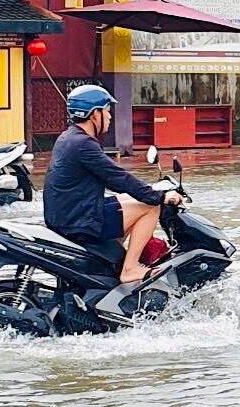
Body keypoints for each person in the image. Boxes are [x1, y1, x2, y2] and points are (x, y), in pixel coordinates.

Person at [44, 84, 179, 286]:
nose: (109, 117)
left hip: (68, 216)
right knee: (151, 207)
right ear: (93, 114)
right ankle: (130, 269)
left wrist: (145, 190)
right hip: (79, 221)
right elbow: (118, 177)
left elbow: (115, 181)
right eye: (107, 111)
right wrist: (159, 196)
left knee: (129, 199)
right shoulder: (84, 145)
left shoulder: (68, 138)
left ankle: (111, 260)